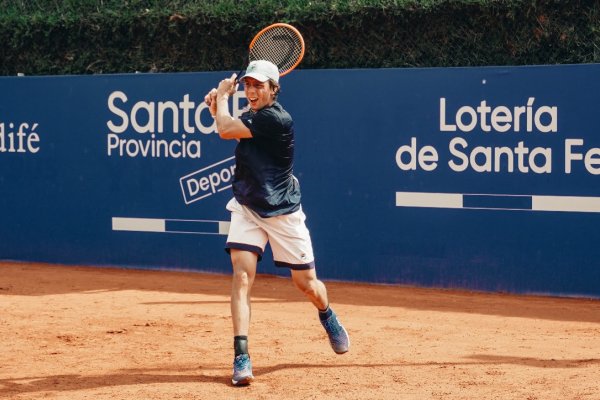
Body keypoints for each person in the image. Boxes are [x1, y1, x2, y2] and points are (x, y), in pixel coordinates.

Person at [204, 60, 350, 386]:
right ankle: (241, 356)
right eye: (248, 85)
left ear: (273, 89)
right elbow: (227, 126)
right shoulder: (255, 117)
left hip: (283, 211)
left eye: (259, 86)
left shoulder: (277, 119)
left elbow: (227, 129)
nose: (252, 91)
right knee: (241, 276)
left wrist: (222, 99)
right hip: (247, 206)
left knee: (307, 286)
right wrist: (218, 107)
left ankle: (327, 314)